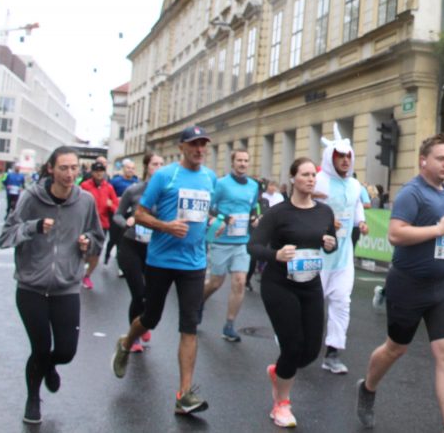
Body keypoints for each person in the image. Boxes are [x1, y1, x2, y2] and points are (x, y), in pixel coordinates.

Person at [355, 134, 444, 433]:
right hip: (409, 285)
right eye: (440, 158)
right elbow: (395, 234)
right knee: (395, 348)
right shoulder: (412, 192)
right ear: (423, 161)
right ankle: (367, 388)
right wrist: (438, 230)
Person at [111, 126, 217, 416]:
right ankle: (126, 343)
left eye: (203, 144)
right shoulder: (164, 176)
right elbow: (139, 214)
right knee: (151, 317)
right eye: (194, 144)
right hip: (161, 261)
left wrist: (215, 223)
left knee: (189, 325)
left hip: (194, 263)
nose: (199, 149)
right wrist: (166, 226)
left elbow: (206, 212)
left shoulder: (210, 178)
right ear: (181, 147)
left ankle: (184, 395)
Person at [0, 146, 104, 425]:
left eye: (74, 168)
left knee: (66, 351)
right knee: (41, 347)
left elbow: (98, 237)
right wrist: (33, 227)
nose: (70, 174)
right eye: (63, 168)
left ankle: (50, 366)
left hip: (66, 286)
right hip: (31, 286)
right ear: (51, 169)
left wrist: (88, 243)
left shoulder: (85, 201)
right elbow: (5, 236)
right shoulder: (31, 198)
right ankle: (33, 398)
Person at [248, 157, 337, 427]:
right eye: (305, 174)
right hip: (279, 285)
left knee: (310, 351)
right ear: (293, 179)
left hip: (310, 283)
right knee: (292, 345)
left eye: (313, 175)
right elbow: (253, 246)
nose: (311, 179)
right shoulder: (278, 213)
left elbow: (330, 242)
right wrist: (276, 254)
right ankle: (282, 404)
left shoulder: (324, 212)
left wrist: (330, 244)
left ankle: (279, 372)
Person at [314, 126, 370, 374]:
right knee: (312, 304)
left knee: (341, 302)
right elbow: (304, 206)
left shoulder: (355, 185)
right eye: (340, 156)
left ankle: (333, 352)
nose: (345, 160)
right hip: (317, 255)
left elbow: (356, 205)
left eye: (348, 156)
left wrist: (361, 222)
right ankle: (295, 341)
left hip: (343, 255)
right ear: (330, 158)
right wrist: (324, 222)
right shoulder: (318, 181)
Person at [203, 148, 260, 342]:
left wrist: (254, 218)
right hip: (221, 240)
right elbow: (208, 208)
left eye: (246, 160)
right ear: (233, 162)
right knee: (216, 283)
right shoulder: (221, 184)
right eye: (239, 160)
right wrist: (225, 218)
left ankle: (229, 325)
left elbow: (252, 207)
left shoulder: (253, 185)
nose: (243, 164)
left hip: (241, 242)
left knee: (240, 281)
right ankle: (199, 303)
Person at [113, 152, 164, 353]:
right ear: (146, 167)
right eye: (154, 164)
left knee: (151, 294)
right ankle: (133, 337)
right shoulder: (134, 190)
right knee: (139, 293)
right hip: (132, 246)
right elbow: (117, 215)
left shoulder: (167, 193)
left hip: (154, 248)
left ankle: (142, 324)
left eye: (161, 164)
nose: (158, 168)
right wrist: (126, 222)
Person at [79, 162, 118, 288]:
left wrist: (110, 205)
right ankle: (77, 272)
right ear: (92, 172)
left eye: (101, 171)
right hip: (86, 224)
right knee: (82, 250)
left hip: (102, 225)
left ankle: (87, 276)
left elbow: (116, 207)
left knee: (96, 253)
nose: (99, 173)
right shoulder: (85, 186)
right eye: (96, 171)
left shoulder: (109, 187)